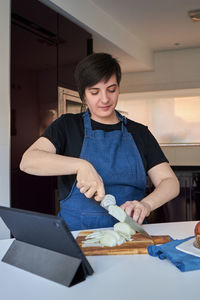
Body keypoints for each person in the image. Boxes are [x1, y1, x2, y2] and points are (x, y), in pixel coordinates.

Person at [20, 53, 180, 231]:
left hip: (131, 235)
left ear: (118, 89)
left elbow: (169, 181)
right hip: (76, 236)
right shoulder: (67, 126)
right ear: (83, 95)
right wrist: (81, 165)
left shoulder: (139, 132)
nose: (104, 99)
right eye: (94, 92)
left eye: (111, 90)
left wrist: (146, 205)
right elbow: (28, 161)